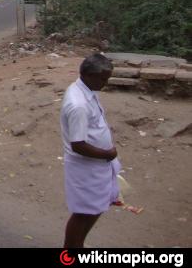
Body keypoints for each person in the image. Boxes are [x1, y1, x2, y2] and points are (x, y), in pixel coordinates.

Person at [60, 53, 120, 248]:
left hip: (96, 167)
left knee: (93, 210)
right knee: (84, 213)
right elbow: (78, 144)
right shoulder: (78, 105)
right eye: (103, 78)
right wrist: (108, 154)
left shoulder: (85, 90)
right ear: (88, 75)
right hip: (86, 168)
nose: (105, 83)